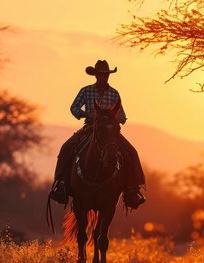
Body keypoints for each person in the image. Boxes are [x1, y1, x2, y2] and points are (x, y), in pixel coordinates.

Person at [50, 60, 146, 209]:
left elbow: (122, 114)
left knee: (132, 152)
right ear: (96, 75)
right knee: (66, 147)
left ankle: (132, 190)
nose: (103, 77)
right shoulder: (86, 90)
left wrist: (116, 118)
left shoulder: (114, 93)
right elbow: (74, 107)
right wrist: (87, 114)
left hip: (109, 130)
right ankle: (61, 185)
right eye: (101, 75)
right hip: (90, 127)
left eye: (106, 75)